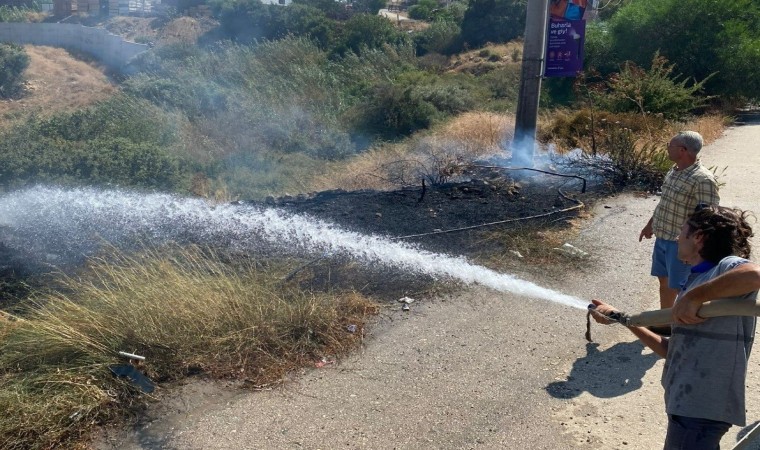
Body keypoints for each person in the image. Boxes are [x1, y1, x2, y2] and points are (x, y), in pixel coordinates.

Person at [592, 205, 760, 450]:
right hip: (686, 403)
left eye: (683, 231)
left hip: (702, 404)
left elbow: (754, 274)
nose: (677, 237)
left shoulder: (723, 268)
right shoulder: (695, 280)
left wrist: (694, 298)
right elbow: (673, 350)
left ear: (699, 237)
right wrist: (620, 318)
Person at [640, 131, 720, 314]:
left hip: (681, 244)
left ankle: (685, 326)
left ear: (683, 150)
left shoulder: (703, 179)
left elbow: (708, 217)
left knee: (682, 287)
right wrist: (650, 225)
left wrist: (692, 246)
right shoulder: (674, 170)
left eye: (670, 145)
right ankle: (665, 321)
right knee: (664, 281)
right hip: (663, 238)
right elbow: (665, 203)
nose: (667, 148)